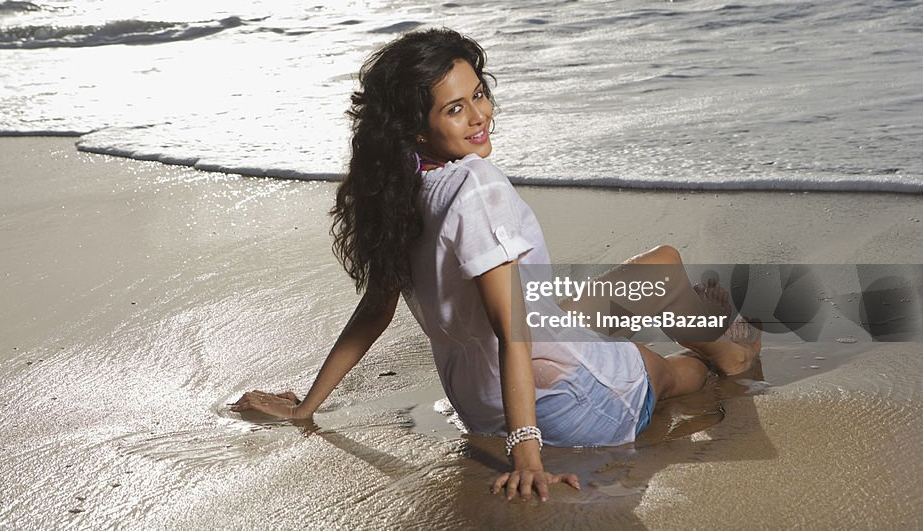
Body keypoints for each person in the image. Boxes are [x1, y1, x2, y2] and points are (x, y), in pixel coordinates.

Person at [231, 28, 762, 502]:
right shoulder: (474, 186)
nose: (481, 115)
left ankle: (702, 323)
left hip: (481, 403)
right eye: (455, 109)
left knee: (659, 266)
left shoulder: (396, 191)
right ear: (416, 127)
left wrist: (307, 409)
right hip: (574, 403)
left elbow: (375, 312)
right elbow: (512, 330)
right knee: (677, 370)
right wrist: (526, 458)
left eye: (478, 94)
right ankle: (731, 353)